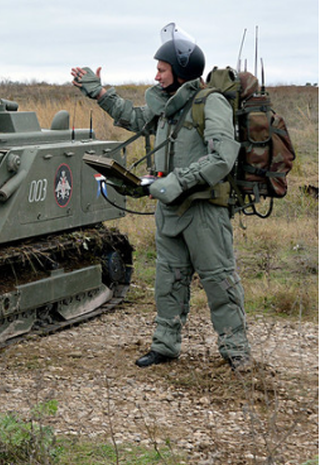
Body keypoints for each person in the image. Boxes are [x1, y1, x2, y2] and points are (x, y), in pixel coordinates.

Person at [71, 23, 252, 371]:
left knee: (219, 282)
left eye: (161, 69)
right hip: (169, 211)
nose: (156, 75)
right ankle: (165, 346)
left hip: (204, 210)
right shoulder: (168, 107)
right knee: (168, 282)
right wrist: (99, 93)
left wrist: (177, 181)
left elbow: (221, 158)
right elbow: (136, 118)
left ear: (181, 70)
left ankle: (237, 352)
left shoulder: (209, 103)